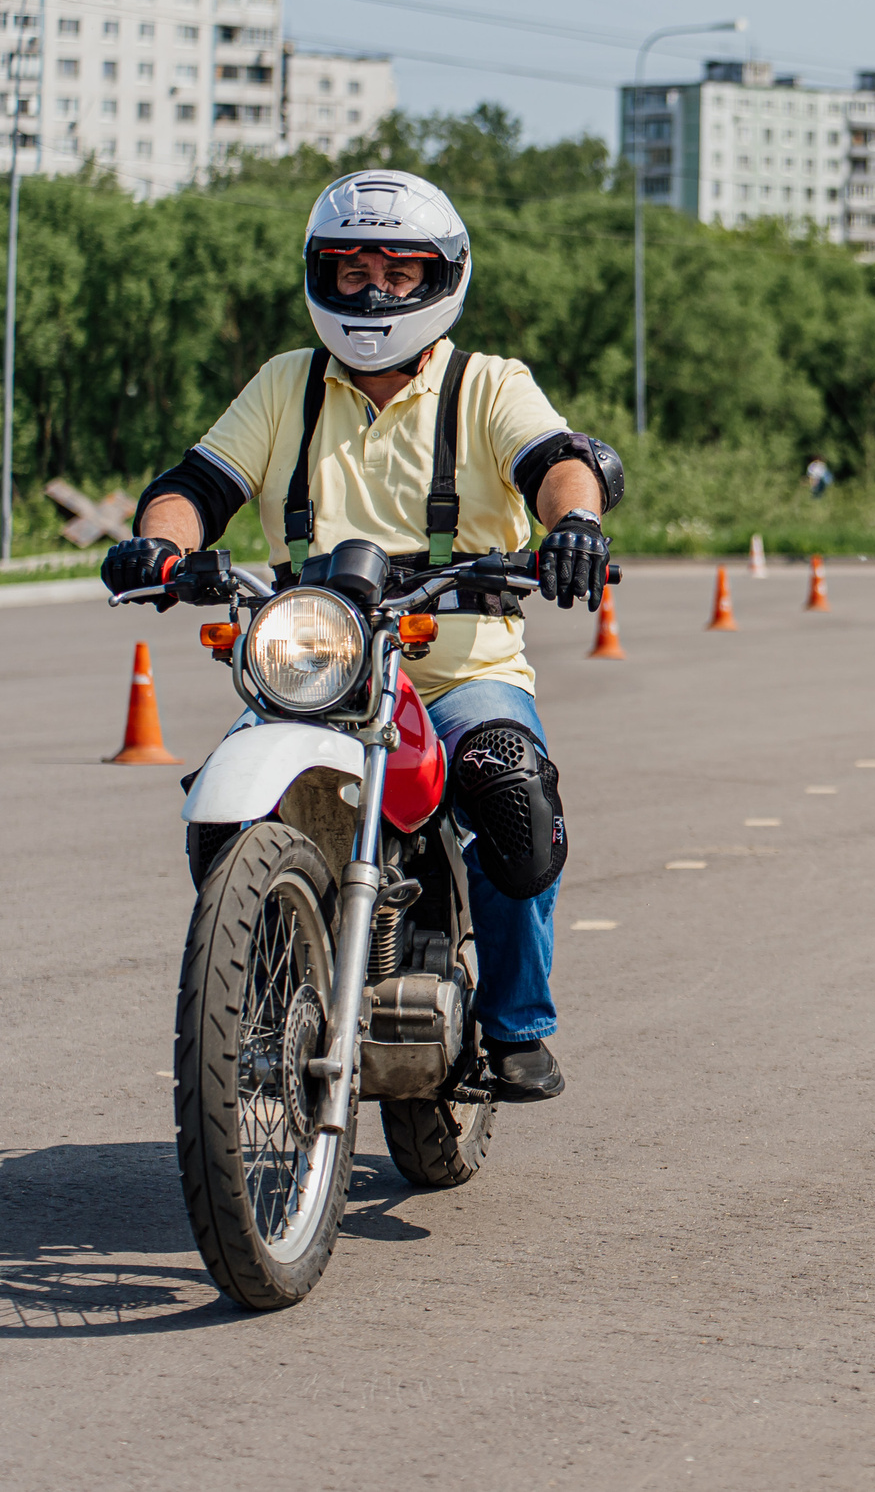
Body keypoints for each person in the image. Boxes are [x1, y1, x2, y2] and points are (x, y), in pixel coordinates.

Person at [100, 169, 624, 1102]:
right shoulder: (285, 386)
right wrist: (161, 543)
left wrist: (574, 527)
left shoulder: (487, 384)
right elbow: (196, 485)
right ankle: (262, 982)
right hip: (315, 672)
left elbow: (559, 464)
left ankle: (514, 1023)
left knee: (511, 792)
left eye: (397, 266)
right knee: (224, 816)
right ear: (320, 275)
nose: (373, 289)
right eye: (349, 270)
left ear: (442, 273)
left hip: (463, 672)